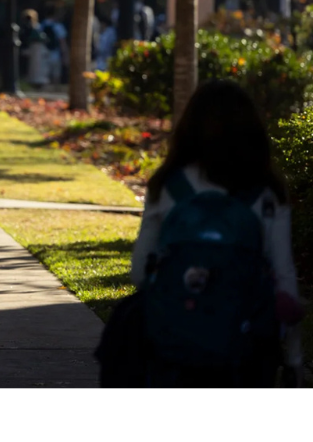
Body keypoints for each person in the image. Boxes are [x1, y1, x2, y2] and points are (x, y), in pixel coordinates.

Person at [129, 80, 304, 386]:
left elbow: (140, 270)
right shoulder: (267, 193)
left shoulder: (168, 186)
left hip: (174, 343)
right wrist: (294, 360)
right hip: (246, 346)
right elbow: (284, 276)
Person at [22, 8, 48, 88]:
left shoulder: (36, 27)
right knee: (32, 67)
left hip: (36, 48)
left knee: (36, 67)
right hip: (30, 48)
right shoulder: (28, 27)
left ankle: (37, 83)